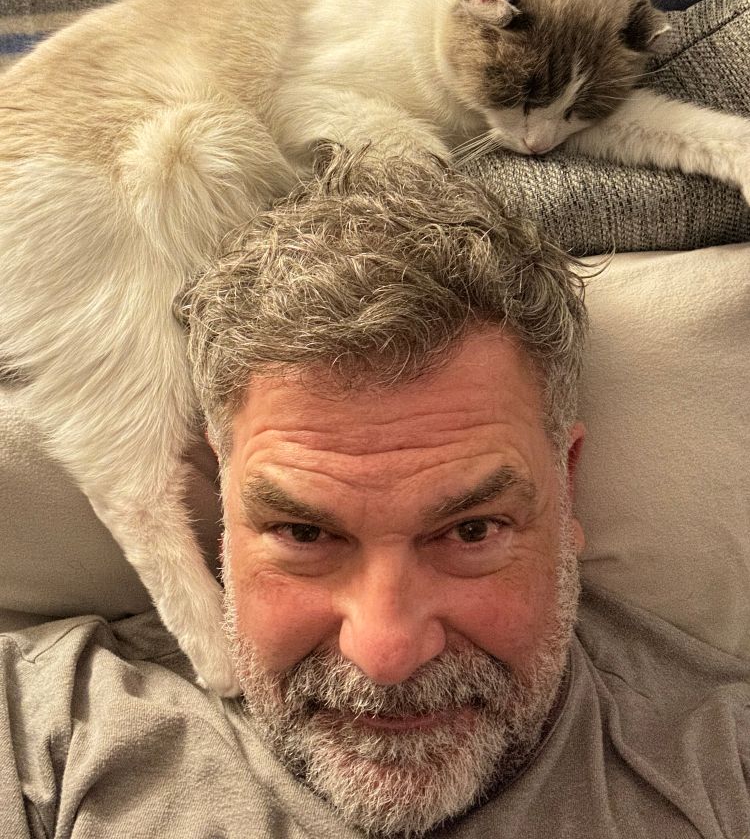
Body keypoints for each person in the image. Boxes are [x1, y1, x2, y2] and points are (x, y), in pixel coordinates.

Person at [1, 148, 748, 839]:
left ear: (568, 485)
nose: (387, 654)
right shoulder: (42, 738)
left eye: (471, 531)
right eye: (303, 533)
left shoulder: (723, 768)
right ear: (224, 509)